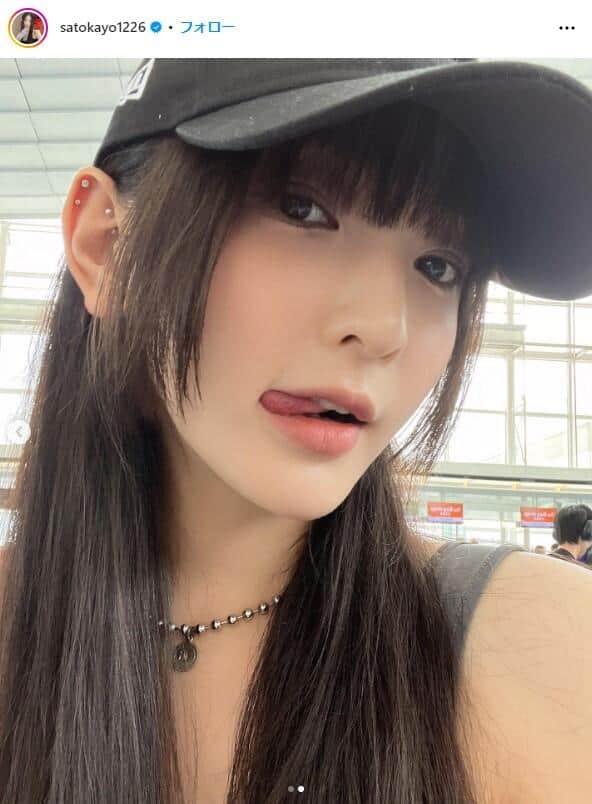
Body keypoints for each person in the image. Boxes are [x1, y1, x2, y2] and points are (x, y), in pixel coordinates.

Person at [0, 58, 592, 803]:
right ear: (106, 247)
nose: (383, 329)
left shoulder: (542, 647)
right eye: (302, 209)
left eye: (439, 266)